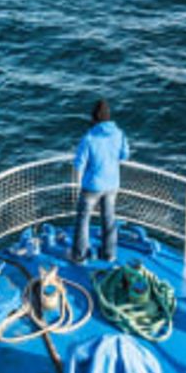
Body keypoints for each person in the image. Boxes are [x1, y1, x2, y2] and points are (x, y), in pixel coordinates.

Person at [71, 99, 130, 264]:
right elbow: (125, 155)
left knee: (83, 220)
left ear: (94, 118)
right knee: (109, 219)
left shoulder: (89, 138)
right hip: (112, 184)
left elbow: (78, 164)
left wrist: (80, 182)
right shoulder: (119, 133)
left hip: (92, 185)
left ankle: (79, 255)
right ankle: (109, 254)